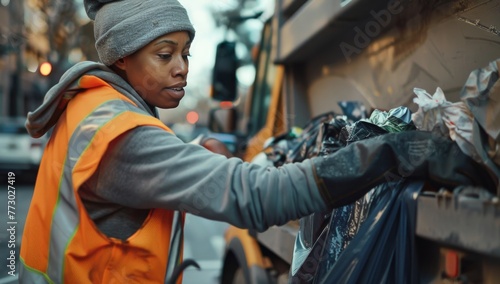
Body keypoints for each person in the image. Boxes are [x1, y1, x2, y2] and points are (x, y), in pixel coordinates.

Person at [19, 0, 495, 283]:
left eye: (185, 53)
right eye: (165, 55)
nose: (182, 68)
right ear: (120, 59)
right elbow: (256, 198)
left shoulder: (91, 110)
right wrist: (386, 152)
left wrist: (191, 155)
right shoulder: (124, 139)